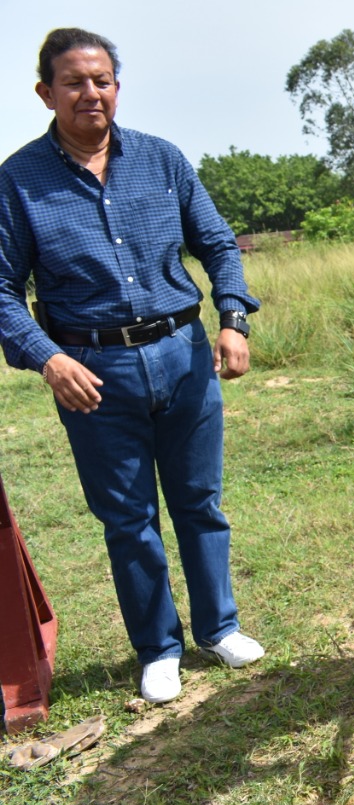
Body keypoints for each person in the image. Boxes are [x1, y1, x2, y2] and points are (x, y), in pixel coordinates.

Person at [0, 28, 264, 705]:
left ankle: (219, 627)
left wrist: (232, 318)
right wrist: (48, 358)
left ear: (117, 87)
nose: (90, 92)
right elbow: (1, 288)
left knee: (200, 503)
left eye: (102, 80)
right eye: (74, 82)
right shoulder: (18, 181)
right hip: (91, 372)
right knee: (128, 518)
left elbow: (217, 243)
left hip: (183, 353)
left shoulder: (161, 159)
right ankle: (158, 648)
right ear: (46, 93)